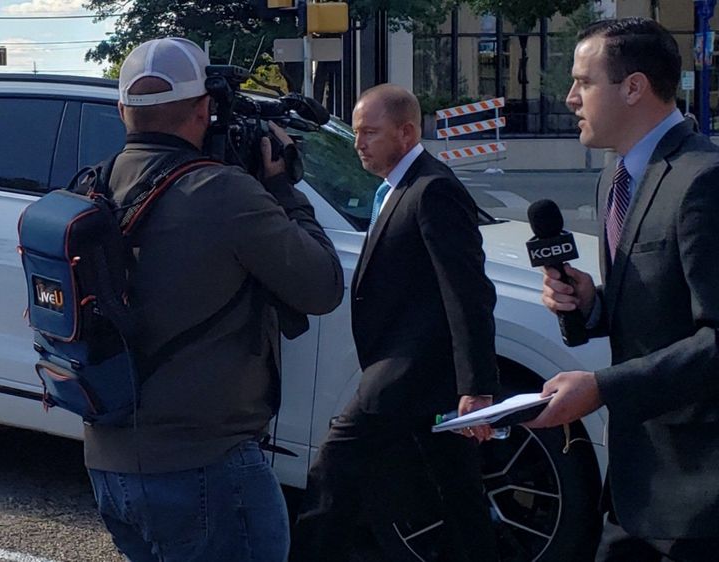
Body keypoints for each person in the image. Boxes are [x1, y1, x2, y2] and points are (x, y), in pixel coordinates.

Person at [83, 37, 344, 562]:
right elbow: (321, 286)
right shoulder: (223, 193)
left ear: (121, 111)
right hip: (205, 467)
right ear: (205, 109)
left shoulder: (97, 183)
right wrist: (282, 189)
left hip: (109, 465)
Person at [526, 18, 719, 561]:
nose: (569, 98)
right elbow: (659, 309)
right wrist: (591, 305)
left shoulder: (703, 179)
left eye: (583, 82)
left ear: (633, 87)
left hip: (698, 495)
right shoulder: (615, 177)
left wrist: (603, 387)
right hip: (636, 482)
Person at [290, 84, 500, 562]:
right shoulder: (394, 188)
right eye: (358, 132)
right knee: (458, 492)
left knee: (333, 476)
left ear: (406, 133)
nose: (359, 142)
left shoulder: (434, 189)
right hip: (411, 375)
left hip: (410, 374)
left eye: (370, 132)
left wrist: (477, 387)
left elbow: (468, 292)